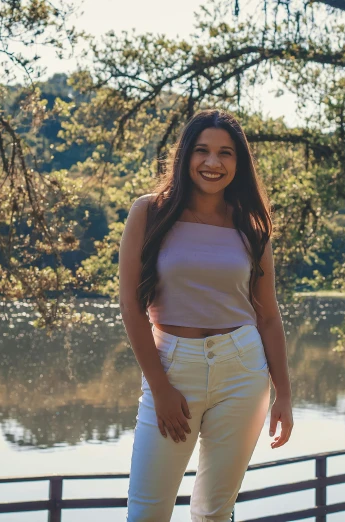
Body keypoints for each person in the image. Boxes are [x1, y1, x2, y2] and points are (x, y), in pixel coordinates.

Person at [118, 108, 294, 521]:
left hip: (243, 370)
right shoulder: (149, 212)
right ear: (185, 156)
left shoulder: (252, 225)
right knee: (146, 513)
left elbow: (267, 315)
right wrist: (160, 388)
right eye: (202, 151)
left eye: (225, 153)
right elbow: (130, 304)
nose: (213, 163)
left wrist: (283, 394)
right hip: (173, 367)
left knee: (214, 513)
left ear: (239, 162)